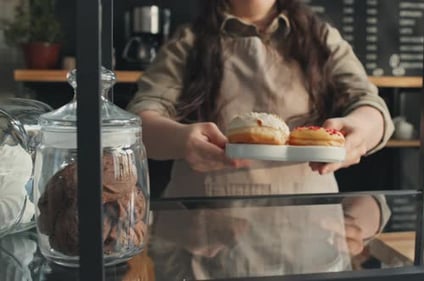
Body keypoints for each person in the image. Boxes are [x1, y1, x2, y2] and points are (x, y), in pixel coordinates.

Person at [128, 0, 394, 278]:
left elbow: (368, 102)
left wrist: (360, 129)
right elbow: (142, 119)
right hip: (205, 248)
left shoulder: (322, 37)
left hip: (308, 246)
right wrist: (181, 138)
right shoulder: (190, 41)